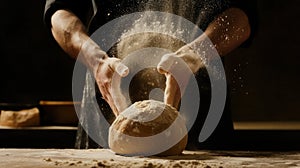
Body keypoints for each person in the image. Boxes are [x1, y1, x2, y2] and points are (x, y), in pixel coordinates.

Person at [44, 0, 254, 149]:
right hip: (109, 111)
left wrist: (194, 55)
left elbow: (242, 17)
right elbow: (60, 12)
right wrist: (96, 60)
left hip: (203, 117)